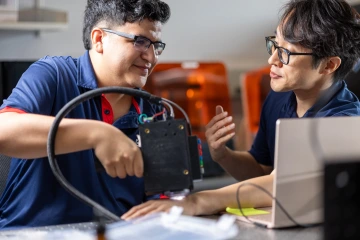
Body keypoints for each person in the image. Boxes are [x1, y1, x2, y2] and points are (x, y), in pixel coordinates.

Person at [122, 0, 360, 220]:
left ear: (329, 64)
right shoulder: (279, 100)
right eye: (274, 45)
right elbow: (261, 172)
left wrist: (199, 201)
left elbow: (281, 185)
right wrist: (223, 154)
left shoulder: (343, 122)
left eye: (286, 53)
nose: (272, 60)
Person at [0, 0, 170, 228]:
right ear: (99, 39)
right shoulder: (54, 75)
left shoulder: (155, 111)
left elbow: (163, 199)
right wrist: (97, 134)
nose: (151, 57)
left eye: (156, 46)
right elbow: (4, 130)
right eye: (140, 42)